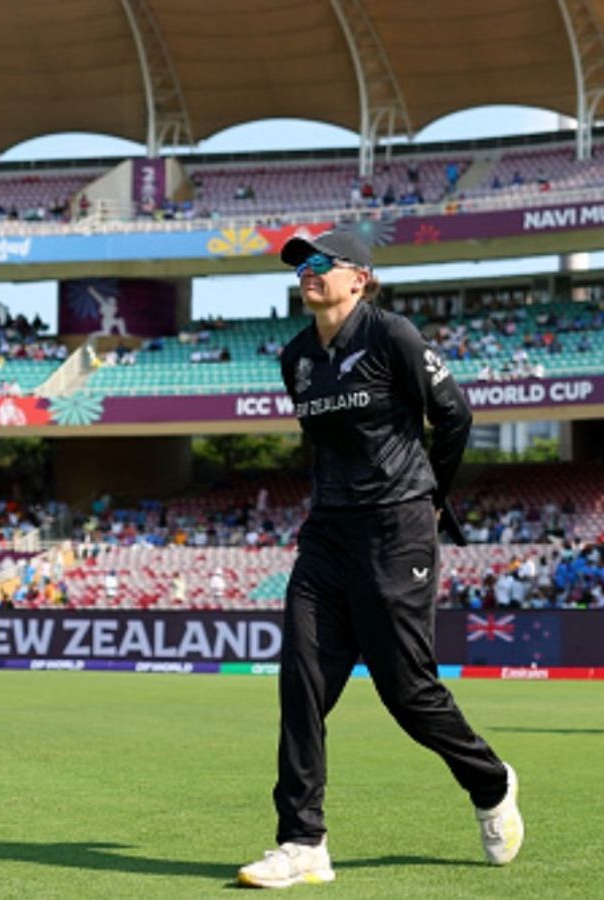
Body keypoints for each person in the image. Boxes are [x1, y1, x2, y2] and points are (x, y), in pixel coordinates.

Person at [237, 230, 522, 890]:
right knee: (301, 684)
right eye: (300, 266)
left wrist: (429, 499)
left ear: (359, 278)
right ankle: (302, 842)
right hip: (327, 534)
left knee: (408, 693)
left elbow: (454, 416)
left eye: (319, 264)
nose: (306, 273)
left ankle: (490, 781)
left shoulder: (393, 334)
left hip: (398, 529)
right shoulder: (296, 358)